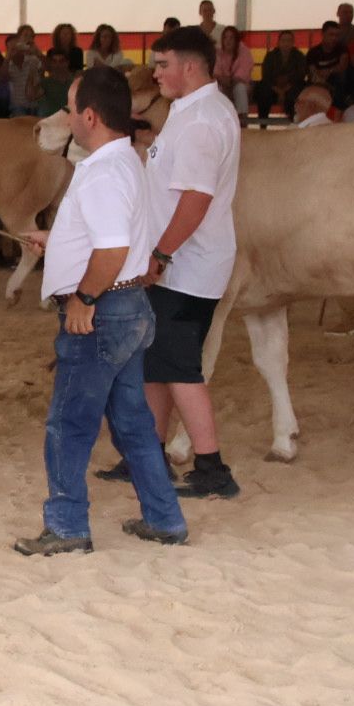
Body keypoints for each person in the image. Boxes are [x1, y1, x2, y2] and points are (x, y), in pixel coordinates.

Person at [15, 66, 188, 556]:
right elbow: (112, 239)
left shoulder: (104, 173)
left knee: (69, 422)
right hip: (128, 308)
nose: (68, 117)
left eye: (71, 109)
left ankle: (68, 526)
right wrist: (59, 240)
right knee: (132, 420)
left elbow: (112, 250)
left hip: (103, 313)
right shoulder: (122, 161)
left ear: (89, 116)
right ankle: (165, 518)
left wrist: (83, 299)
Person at [98, 26, 241, 499]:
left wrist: (160, 255)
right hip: (180, 261)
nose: (155, 73)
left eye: (162, 65)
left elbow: (196, 200)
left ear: (191, 66)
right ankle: (147, 454)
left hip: (188, 265)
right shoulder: (189, 112)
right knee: (156, 364)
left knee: (180, 368)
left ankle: (212, 468)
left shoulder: (201, 121)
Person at [253, 29, 307, 121]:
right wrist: (278, 91)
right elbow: (266, 75)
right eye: (283, 40)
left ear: (293, 42)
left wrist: (285, 89)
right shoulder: (271, 56)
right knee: (263, 89)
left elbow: (300, 75)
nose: (286, 43)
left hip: (291, 88)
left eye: (289, 41)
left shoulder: (299, 56)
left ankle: (293, 122)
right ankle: (263, 124)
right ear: (279, 42)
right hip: (273, 88)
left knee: (298, 90)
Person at [213, 25, 254, 122]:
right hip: (222, 84)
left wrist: (230, 81)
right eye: (225, 38)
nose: (228, 41)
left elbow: (242, 74)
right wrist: (223, 80)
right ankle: (218, 120)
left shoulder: (245, 51)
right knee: (216, 88)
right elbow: (215, 74)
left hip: (240, 85)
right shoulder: (218, 53)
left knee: (240, 88)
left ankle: (242, 120)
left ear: (236, 40)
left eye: (231, 38)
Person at [6, 43, 42, 118]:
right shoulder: (8, 65)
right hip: (18, 105)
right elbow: (0, 78)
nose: (15, 51)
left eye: (16, 48)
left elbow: (46, 69)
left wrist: (37, 52)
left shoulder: (33, 59)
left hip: (35, 103)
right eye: (12, 49)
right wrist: (7, 58)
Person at [36, 50, 72, 117]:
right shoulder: (44, 83)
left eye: (61, 61)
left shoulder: (74, 82)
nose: (57, 65)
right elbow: (31, 95)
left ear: (67, 63)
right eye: (54, 61)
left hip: (69, 120)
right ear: (51, 63)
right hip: (49, 121)